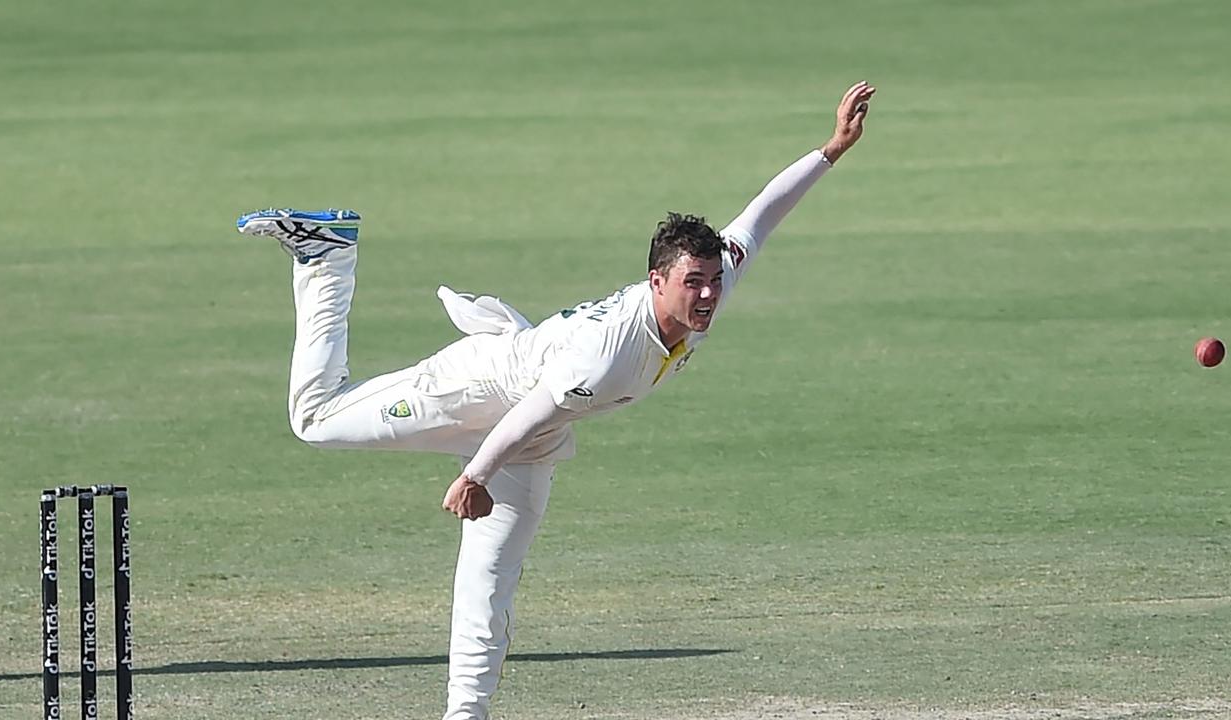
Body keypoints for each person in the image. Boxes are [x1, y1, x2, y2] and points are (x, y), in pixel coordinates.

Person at [236, 80, 876, 720]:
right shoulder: (609, 352)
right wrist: (473, 475)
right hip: (478, 390)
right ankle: (328, 256)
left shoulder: (711, 282)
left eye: (713, 281)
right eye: (693, 284)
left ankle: (466, 714)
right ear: (657, 281)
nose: (708, 295)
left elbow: (761, 214)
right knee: (314, 420)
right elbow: (527, 412)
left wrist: (832, 149)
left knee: (488, 582)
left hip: (531, 436)